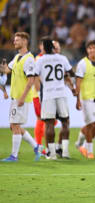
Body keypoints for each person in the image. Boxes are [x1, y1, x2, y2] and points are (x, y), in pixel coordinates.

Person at [0, 32, 40, 162]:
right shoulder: (17, 57)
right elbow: (7, 70)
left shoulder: (29, 59)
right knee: (14, 126)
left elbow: (31, 80)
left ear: (24, 41)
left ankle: (14, 156)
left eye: (17, 40)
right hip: (15, 97)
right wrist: (2, 67)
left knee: (15, 125)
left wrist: (22, 97)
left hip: (21, 98)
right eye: (14, 40)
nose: (14, 42)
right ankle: (36, 147)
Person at [34, 38, 74, 160]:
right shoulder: (62, 58)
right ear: (52, 47)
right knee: (65, 122)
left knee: (49, 124)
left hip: (48, 94)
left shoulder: (40, 60)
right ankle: (65, 151)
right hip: (61, 93)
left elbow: (34, 75)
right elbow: (71, 72)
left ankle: (51, 154)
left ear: (43, 48)